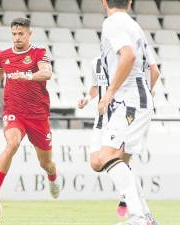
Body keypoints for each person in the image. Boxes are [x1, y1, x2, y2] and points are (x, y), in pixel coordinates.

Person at [88, 1, 161, 224]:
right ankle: (146, 217)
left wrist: (110, 93)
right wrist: (143, 97)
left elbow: (127, 56)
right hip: (135, 100)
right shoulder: (134, 26)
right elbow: (154, 71)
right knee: (99, 160)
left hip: (128, 102)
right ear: (129, 2)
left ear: (104, 1)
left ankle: (138, 217)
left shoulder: (113, 23)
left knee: (105, 158)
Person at [78, 56, 160, 224]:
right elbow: (96, 86)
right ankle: (141, 213)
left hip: (121, 115)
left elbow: (154, 72)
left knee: (118, 159)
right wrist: (87, 98)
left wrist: (148, 91)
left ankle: (142, 215)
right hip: (100, 119)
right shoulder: (96, 62)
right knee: (96, 162)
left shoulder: (125, 60)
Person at [0, 17, 60, 201]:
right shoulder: (4, 55)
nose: (17, 38)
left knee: (46, 163)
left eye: (21, 34)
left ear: (29, 34)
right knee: (12, 143)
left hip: (38, 115)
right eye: (14, 34)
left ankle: (52, 178)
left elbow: (47, 73)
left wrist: (27, 75)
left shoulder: (38, 53)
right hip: (14, 111)